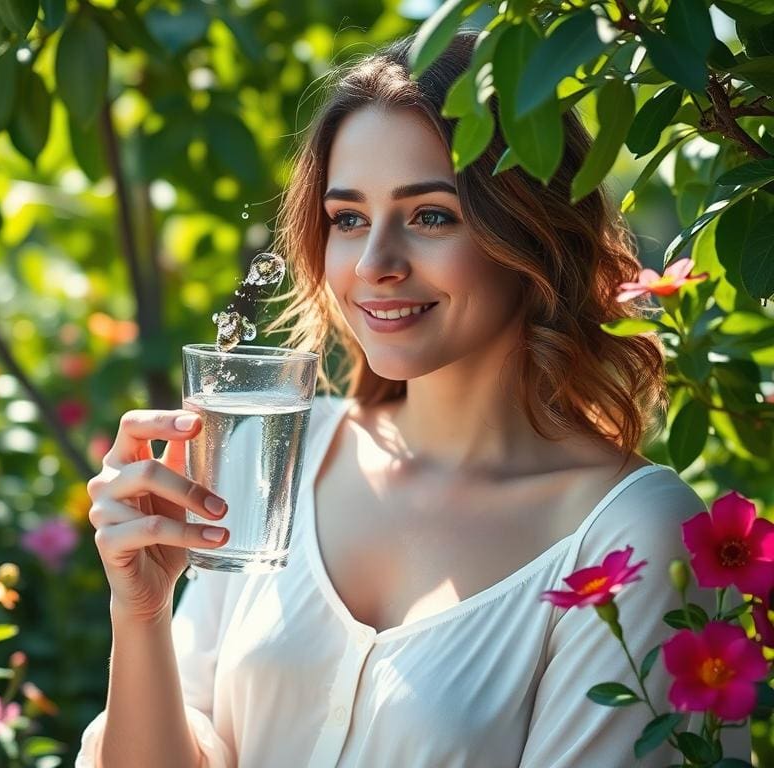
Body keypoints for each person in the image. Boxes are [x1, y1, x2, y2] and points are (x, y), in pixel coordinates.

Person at [76, 32, 750, 768]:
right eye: (348, 219)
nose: (375, 265)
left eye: (431, 215)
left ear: (531, 226)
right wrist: (139, 614)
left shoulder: (629, 533)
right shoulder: (286, 463)